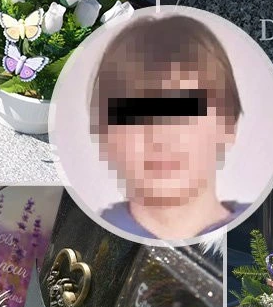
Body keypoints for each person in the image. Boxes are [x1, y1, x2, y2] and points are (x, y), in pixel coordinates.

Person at [90, 12, 246, 240]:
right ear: (105, 133)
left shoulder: (265, 236)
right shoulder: (79, 231)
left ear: (228, 125)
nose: (160, 137)